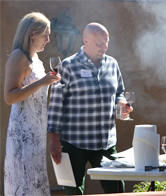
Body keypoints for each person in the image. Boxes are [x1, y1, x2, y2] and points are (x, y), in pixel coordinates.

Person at [47, 22, 133, 195]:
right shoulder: (67, 66)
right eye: (99, 42)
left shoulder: (112, 64)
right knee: (73, 191)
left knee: (116, 190)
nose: (104, 46)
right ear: (86, 40)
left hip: (105, 142)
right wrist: (54, 141)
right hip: (73, 143)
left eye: (106, 42)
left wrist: (121, 104)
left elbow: (119, 92)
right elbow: (55, 104)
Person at [3, 12, 61, 196]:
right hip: (22, 135)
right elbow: (9, 97)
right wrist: (42, 82)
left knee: (34, 183)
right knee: (24, 183)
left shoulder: (35, 59)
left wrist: (48, 81)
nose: (48, 39)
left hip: (35, 133)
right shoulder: (18, 56)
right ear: (32, 34)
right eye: (46, 34)